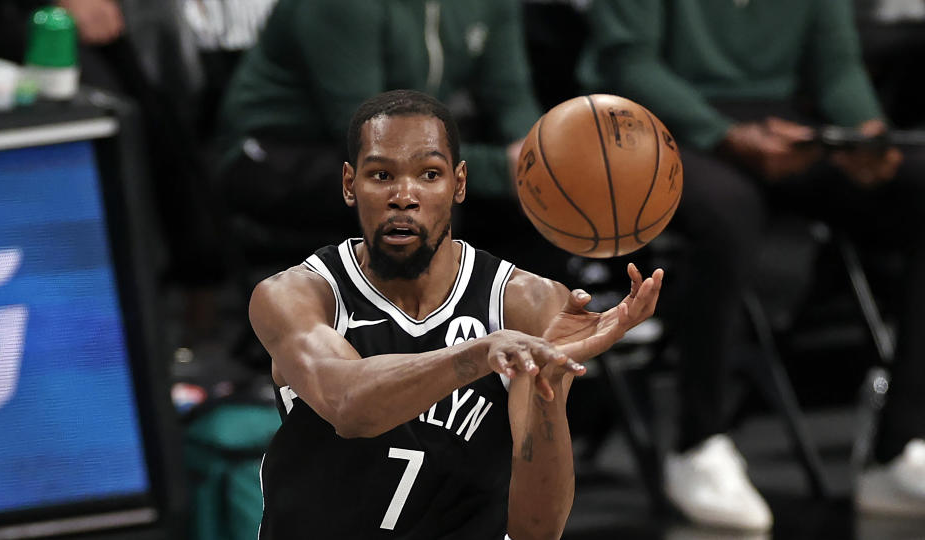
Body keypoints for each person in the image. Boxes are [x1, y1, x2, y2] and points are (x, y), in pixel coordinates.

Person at [247, 89, 664, 539]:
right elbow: (349, 406)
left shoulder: (523, 303)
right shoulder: (298, 295)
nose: (404, 196)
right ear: (350, 184)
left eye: (429, 174)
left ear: (459, 183)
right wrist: (477, 354)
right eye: (381, 175)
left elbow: (536, 530)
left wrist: (546, 384)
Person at [580, 0, 925, 531]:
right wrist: (723, 133)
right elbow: (630, 65)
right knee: (729, 211)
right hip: (652, 126)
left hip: (781, 120)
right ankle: (698, 441)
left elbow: (835, 66)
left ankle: (899, 445)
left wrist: (864, 133)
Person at [213, 0, 547, 273]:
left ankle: (530, 338)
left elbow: (511, 95)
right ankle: (412, 346)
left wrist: (536, 156)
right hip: (279, 151)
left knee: (543, 194)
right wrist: (501, 170)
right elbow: (365, 133)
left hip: (401, 142)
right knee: (415, 198)